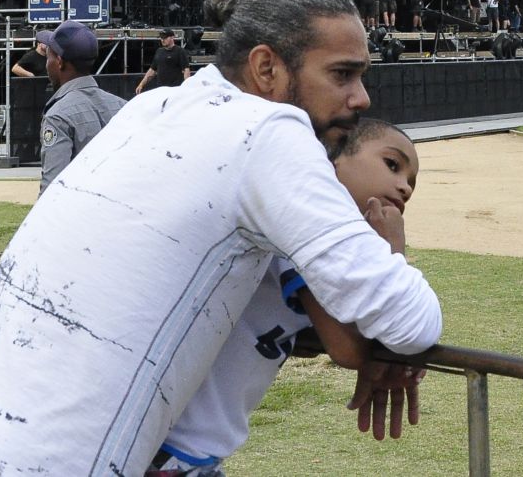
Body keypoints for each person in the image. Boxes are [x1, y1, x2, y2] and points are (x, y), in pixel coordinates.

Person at [0, 0, 442, 477]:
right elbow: (409, 320)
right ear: (267, 68)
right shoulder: (270, 132)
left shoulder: (153, 109)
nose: (361, 97)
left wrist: (368, 343)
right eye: (342, 74)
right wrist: (391, 253)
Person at [158, 118, 423, 473]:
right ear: (333, 160)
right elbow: (348, 348)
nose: (404, 187)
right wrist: (394, 250)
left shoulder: (331, 243)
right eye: (392, 165)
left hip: (190, 447)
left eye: (411, 183)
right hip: (173, 446)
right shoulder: (302, 229)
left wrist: (390, 355)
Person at [37, 22, 127, 193]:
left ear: (60, 62)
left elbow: (53, 189)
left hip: (81, 214)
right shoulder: (123, 106)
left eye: (49, 58)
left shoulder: (58, 116)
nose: (47, 65)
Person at [136, 28, 192, 95]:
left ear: (172, 37)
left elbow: (186, 70)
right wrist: (141, 84)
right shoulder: (159, 51)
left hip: (174, 90)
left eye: (165, 37)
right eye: (161, 38)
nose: (162, 40)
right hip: (161, 90)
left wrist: (187, 88)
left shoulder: (180, 51)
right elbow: (152, 70)